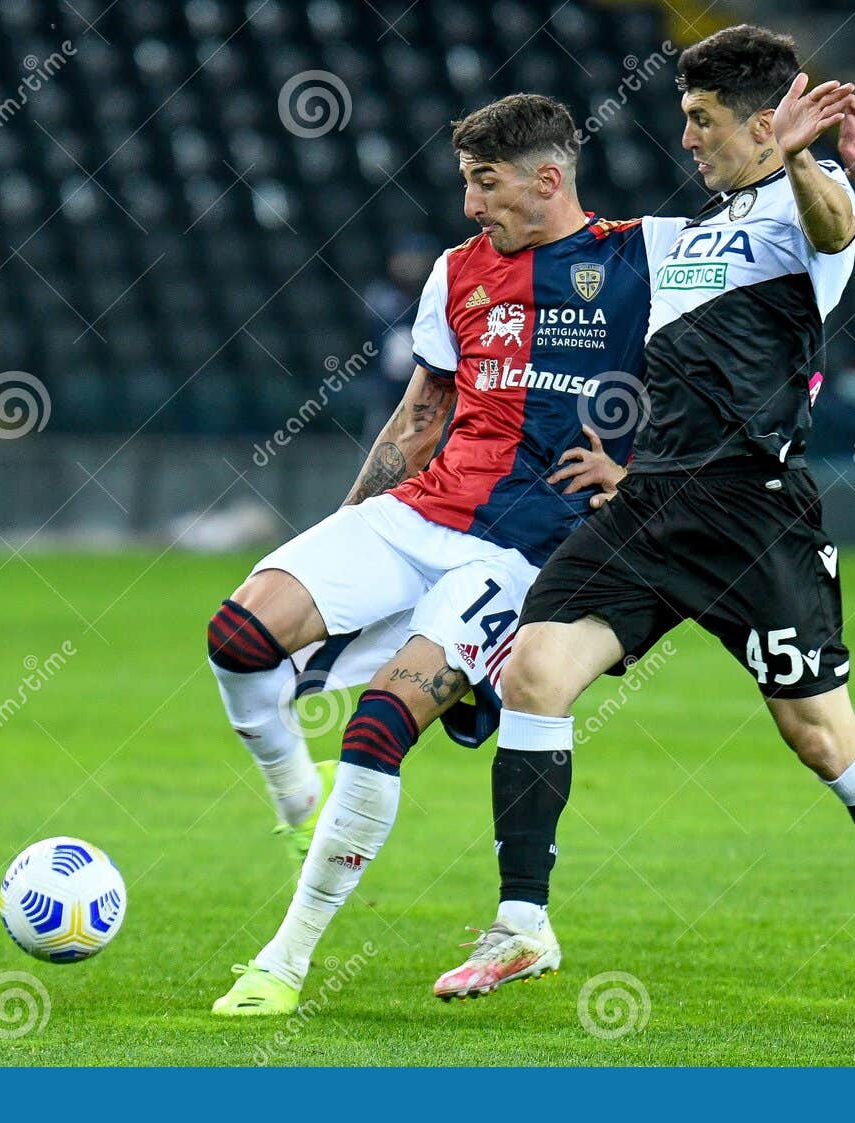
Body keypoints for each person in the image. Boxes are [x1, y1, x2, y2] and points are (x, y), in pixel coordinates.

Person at [434, 25, 855, 1032]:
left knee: (820, 737)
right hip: (649, 504)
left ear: (761, 124)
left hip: (750, 514)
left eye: (700, 120)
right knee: (536, 671)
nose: (686, 137)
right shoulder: (701, 229)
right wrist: (629, 461)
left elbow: (831, 227)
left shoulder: (801, 211)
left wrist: (814, 161)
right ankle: (521, 920)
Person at [209, 93, 674, 1015]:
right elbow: (422, 415)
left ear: (548, 180)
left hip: (517, 553)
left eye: (484, 184)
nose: (470, 206)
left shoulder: (641, 258)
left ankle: (284, 961)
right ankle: (294, 796)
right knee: (238, 633)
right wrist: (344, 529)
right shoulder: (457, 271)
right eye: (466, 183)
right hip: (419, 511)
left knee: (378, 727)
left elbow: (749, 341)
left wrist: (641, 472)